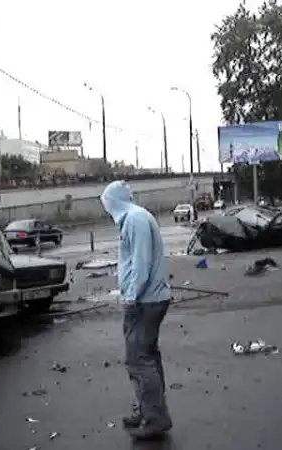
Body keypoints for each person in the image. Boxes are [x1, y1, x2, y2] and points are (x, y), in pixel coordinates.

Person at [100, 181, 173, 439]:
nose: (106, 207)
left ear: (114, 201)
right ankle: (148, 410)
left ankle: (155, 418)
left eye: (106, 202)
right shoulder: (135, 218)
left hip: (145, 301)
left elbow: (141, 262)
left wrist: (130, 296)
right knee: (147, 356)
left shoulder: (135, 219)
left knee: (139, 360)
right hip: (149, 299)